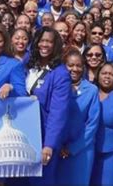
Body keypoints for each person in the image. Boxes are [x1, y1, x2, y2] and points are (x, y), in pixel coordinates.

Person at [26, 27, 71, 185]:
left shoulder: (60, 74)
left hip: (43, 138)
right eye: (41, 40)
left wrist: (49, 145)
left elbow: (58, 113)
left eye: (49, 42)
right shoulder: (26, 66)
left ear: (55, 45)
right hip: (22, 136)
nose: (44, 45)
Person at [57, 49, 100, 185]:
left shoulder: (92, 90)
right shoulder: (56, 86)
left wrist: (73, 148)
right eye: (70, 65)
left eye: (78, 65)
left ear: (83, 68)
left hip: (82, 150)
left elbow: (92, 124)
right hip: (58, 148)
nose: (74, 69)